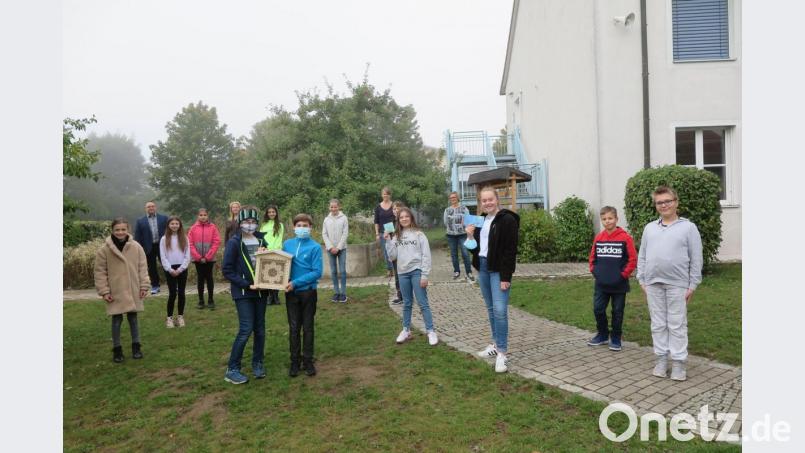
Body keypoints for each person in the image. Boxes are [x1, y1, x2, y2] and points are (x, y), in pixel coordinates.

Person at [637, 186, 702, 382]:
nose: (664, 205)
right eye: (659, 202)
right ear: (656, 205)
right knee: (658, 324)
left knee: (677, 324)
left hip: (677, 284)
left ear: (676, 202)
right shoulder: (650, 228)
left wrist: (693, 285)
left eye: (667, 201)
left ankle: (679, 363)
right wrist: (642, 279)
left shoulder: (688, 228)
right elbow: (642, 255)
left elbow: (696, 258)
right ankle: (661, 360)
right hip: (652, 284)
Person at [465, 186, 520, 373]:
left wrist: (506, 277)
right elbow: (475, 250)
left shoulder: (507, 220)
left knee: (500, 310)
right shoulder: (480, 220)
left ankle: (502, 353)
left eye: (490, 199)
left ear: (497, 200)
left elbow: (510, 251)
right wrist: (470, 235)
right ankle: (496, 345)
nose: (487, 203)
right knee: (491, 309)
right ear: (480, 203)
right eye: (484, 200)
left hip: (498, 270)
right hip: (483, 268)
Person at [221, 206, 270, 385]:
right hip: (243, 293)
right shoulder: (234, 242)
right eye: (247, 221)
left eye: (253, 222)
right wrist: (246, 284)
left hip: (261, 292)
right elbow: (227, 270)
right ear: (240, 223)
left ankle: (258, 363)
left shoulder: (262, 241)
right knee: (246, 329)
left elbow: (268, 264)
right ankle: (232, 369)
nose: (250, 225)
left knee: (260, 329)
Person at [94, 217, 150, 363]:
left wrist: (144, 286)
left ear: (128, 230)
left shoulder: (136, 247)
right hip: (115, 290)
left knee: (133, 318)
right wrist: (104, 291)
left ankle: (136, 347)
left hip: (133, 288)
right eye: (117, 230)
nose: (120, 232)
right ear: (112, 230)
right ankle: (117, 349)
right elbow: (100, 272)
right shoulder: (104, 250)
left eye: (123, 229)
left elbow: (143, 268)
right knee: (116, 320)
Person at [385, 207, 438, 346]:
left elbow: (426, 255)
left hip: (417, 272)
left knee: (423, 303)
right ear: (398, 220)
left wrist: (424, 275)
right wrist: (388, 241)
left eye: (406, 216)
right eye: (401, 217)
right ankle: (406, 330)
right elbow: (392, 257)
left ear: (411, 218)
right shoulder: (396, 236)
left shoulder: (419, 234)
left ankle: (431, 331)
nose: (404, 219)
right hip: (402, 273)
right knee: (407, 303)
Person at [586, 206, 637, 352]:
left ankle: (615, 337)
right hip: (601, 284)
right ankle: (602, 334)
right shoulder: (599, 238)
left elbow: (633, 259)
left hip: (619, 284)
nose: (607, 221)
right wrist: (595, 272)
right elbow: (592, 259)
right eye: (604, 219)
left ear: (616, 219)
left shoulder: (625, 238)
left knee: (617, 312)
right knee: (598, 309)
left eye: (610, 218)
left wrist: (623, 275)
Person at [282, 214, 323, 377]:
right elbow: (280, 263)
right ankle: (294, 361)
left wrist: (296, 283)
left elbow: (317, 272)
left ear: (310, 228)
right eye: (299, 225)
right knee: (293, 328)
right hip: (291, 293)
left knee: (308, 327)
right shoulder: (287, 244)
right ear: (294, 227)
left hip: (308, 292)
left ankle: (308, 361)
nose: (302, 228)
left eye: (305, 225)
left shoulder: (315, 247)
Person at [160, 216, 191, 328]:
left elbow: (187, 256)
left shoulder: (184, 238)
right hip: (170, 269)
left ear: (180, 225)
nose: (174, 225)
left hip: (182, 268)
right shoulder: (164, 239)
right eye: (172, 224)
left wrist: (181, 269)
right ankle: (169, 318)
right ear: (168, 225)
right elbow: (163, 256)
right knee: (172, 293)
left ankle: (180, 317)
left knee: (181, 293)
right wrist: (170, 269)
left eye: (176, 223)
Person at [188, 208, 221, 310]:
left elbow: (216, 242)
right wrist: (198, 257)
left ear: (208, 216)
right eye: (201, 215)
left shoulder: (213, 227)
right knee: (200, 279)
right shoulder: (193, 228)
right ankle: (201, 301)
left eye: (205, 215)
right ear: (198, 216)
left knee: (209, 278)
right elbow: (190, 243)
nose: (203, 217)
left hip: (209, 259)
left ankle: (211, 300)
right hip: (197, 259)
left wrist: (207, 257)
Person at [133, 201, 168, 294]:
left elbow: (169, 231)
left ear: (155, 207)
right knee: (152, 267)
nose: (151, 208)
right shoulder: (140, 221)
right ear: (145, 209)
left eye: (152, 206)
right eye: (148, 207)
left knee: (166, 265)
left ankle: (172, 284)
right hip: (148, 247)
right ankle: (155, 286)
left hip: (162, 246)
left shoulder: (164, 218)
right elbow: (137, 236)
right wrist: (138, 248)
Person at [322, 199, 349, 303]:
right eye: (331, 207)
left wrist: (338, 247)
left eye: (335, 207)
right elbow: (324, 234)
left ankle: (343, 293)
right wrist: (330, 247)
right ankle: (336, 292)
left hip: (342, 249)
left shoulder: (344, 218)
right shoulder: (326, 219)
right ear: (329, 207)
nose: (333, 209)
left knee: (342, 271)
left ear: (339, 207)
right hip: (330, 249)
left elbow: (345, 233)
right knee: (333, 271)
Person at [443, 191, 474, 281]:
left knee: (465, 253)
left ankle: (469, 272)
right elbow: (445, 222)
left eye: (454, 197)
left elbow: (468, 220)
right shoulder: (447, 210)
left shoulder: (464, 208)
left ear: (457, 198)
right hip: (451, 235)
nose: (452, 199)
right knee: (454, 254)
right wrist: (452, 229)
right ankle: (456, 271)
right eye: (451, 198)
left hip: (462, 235)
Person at [259, 205, 285, 305]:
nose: (271, 214)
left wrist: (275, 250)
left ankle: (276, 296)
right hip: (266, 251)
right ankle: (270, 296)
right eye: (269, 212)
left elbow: (279, 238)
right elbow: (261, 238)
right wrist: (265, 248)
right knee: (268, 274)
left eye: (273, 212)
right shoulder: (263, 225)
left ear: (276, 213)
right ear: (267, 213)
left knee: (276, 274)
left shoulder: (280, 225)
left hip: (277, 251)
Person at [373, 187, 395, 277]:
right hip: (382, 233)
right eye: (384, 194)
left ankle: (396, 268)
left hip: (393, 232)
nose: (385, 195)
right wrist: (377, 234)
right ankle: (389, 270)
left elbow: (397, 218)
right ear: (381, 195)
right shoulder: (378, 207)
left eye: (387, 194)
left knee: (395, 250)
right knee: (386, 252)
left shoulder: (393, 205)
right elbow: (376, 221)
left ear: (390, 195)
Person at [389, 201, 405, 305]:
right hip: (395, 251)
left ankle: (405, 295)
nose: (395, 210)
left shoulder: (404, 221)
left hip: (403, 251)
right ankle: (400, 296)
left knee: (403, 274)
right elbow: (391, 238)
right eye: (394, 209)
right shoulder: (391, 223)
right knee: (397, 275)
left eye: (397, 208)